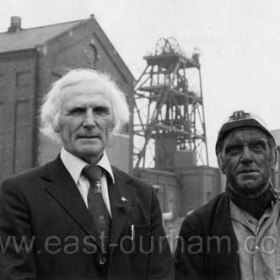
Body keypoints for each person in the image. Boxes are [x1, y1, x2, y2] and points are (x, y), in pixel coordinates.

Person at [0, 69, 173, 280]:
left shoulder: (143, 195)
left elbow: (160, 274)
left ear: (114, 122)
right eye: (77, 111)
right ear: (55, 122)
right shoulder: (19, 194)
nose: (90, 122)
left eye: (100, 111)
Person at [174, 110, 280, 280]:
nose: (246, 157)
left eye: (257, 147)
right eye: (234, 150)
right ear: (221, 162)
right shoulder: (198, 227)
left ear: (273, 158)